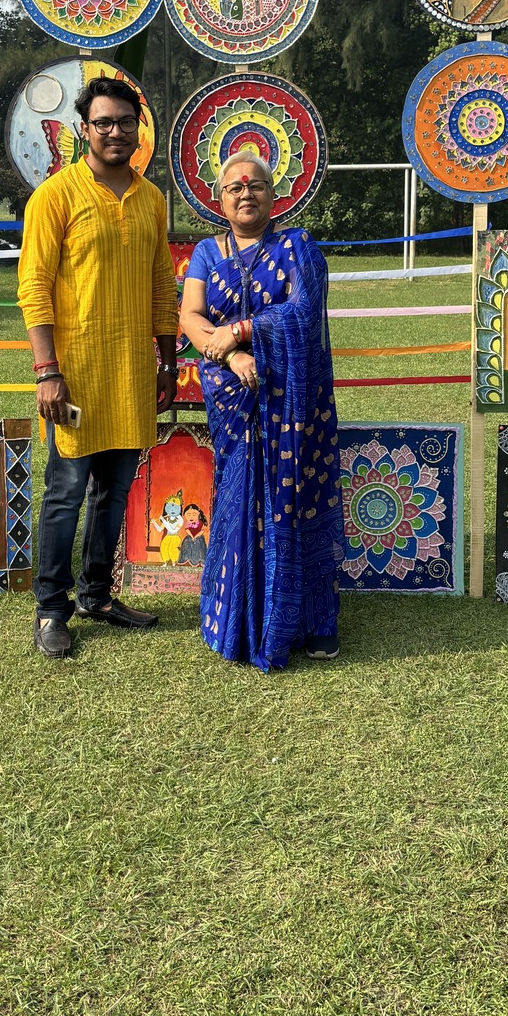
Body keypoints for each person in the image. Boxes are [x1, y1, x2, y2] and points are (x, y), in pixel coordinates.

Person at [19, 76, 178, 658]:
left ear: (139, 129)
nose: (115, 132)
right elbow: (34, 287)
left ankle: (97, 596)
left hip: (131, 371)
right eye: (103, 123)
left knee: (115, 492)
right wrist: (47, 371)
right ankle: (51, 609)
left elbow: (162, 285)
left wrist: (167, 363)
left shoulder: (151, 199)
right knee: (66, 491)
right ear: (84, 130)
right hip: (75, 375)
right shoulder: (55, 196)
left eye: (125, 122)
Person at [178, 151, 343, 671]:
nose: (245, 194)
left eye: (256, 186)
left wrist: (243, 329)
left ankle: (311, 621)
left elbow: (303, 311)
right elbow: (191, 317)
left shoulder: (297, 247)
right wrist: (232, 353)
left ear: (274, 195)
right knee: (239, 496)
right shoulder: (207, 252)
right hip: (232, 393)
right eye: (235, 187)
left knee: (296, 497)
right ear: (218, 199)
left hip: (291, 396)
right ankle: (240, 620)